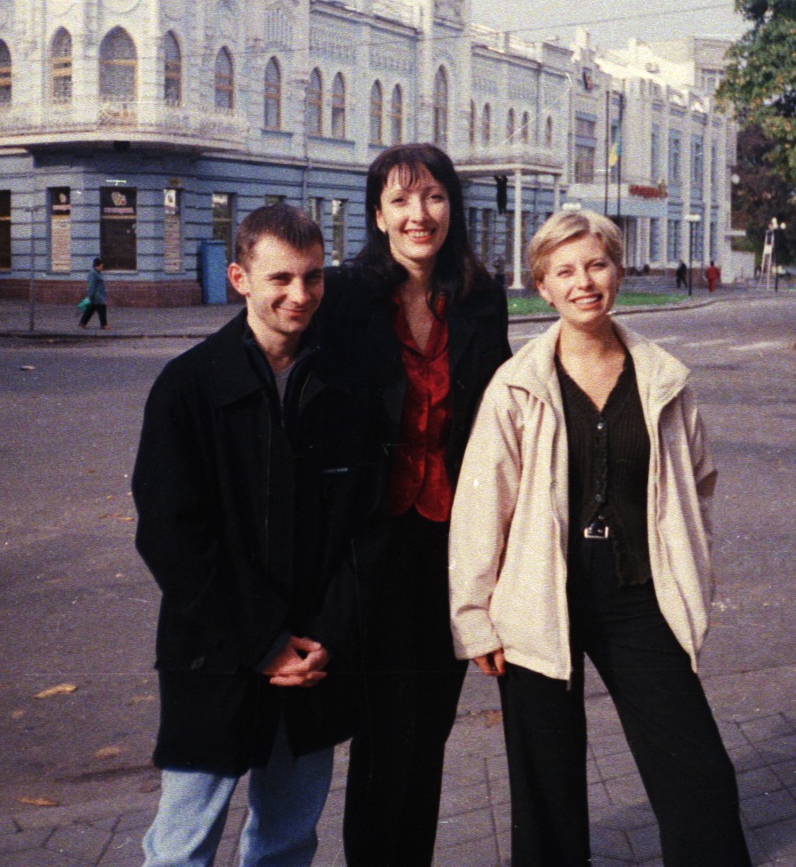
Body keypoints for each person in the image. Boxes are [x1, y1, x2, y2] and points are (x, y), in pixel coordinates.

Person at [450, 210, 751, 867]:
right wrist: (475, 619)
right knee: (546, 788)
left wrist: (685, 560)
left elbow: (697, 480)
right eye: (565, 271)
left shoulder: (664, 378)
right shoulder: (518, 385)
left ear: (616, 270)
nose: (583, 282)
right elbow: (481, 506)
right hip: (537, 596)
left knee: (698, 773)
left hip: (638, 591)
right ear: (543, 287)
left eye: (596, 264)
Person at [131, 203, 388, 867]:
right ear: (240, 277)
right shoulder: (188, 386)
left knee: (286, 840)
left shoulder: (345, 386)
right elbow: (170, 534)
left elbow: (368, 526)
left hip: (314, 659)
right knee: (182, 845)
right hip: (215, 652)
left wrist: (328, 635)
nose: (298, 296)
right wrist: (264, 641)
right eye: (280, 279)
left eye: (311, 277)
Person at [315, 143, 511, 866]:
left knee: (428, 727)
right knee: (385, 729)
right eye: (400, 200)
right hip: (377, 543)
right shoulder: (345, 297)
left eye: (431, 197)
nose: (418, 214)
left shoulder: (479, 297)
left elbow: (501, 416)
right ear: (378, 215)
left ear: (451, 208)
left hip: (456, 543)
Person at [79, 257, 109, 330]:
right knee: (102, 310)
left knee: (90, 310)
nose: (102, 268)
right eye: (101, 266)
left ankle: (82, 322)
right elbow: (91, 285)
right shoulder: (93, 273)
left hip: (98, 296)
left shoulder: (97, 273)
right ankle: (104, 325)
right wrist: (90, 296)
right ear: (97, 266)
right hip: (97, 296)